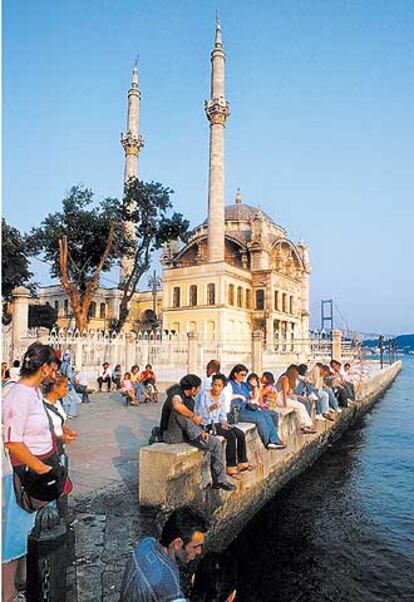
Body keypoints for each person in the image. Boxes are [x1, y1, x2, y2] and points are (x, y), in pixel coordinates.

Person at [2, 342, 59, 602]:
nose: (54, 372)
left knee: (31, 528)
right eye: (52, 367)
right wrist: (42, 469)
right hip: (23, 473)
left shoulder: (34, 392)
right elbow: (13, 441)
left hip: (39, 468)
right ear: (44, 368)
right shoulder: (19, 394)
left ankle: (23, 579)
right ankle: (8, 593)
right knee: (15, 532)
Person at [161, 374, 235, 491]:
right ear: (193, 388)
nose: (200, 390)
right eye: (198, 388)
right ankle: (198, 435)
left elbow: (196, 419)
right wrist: (194, 417)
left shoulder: (191, 401)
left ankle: (219, 480)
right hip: (172, 435)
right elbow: (177, 405)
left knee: (216, 443)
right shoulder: (176, 394)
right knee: (179, 411)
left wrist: (201, 429)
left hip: (189, 432)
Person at [119, 506, 208, 602]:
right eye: (195, 547)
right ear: (177, 543)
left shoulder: (146, 542)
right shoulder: (169, 588)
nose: (199, 551)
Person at [196, 374, 254, 479]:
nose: (216, 388)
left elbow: (222, 414)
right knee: (231, 436)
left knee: (240, 433)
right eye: (215, 385)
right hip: (207, 424)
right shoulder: (204, 395)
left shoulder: (222, 396)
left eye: (219, 386)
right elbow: (199, 415)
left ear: (223, 387)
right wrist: (210, 408)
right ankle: (230, 466)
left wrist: (224, 421)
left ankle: (242, 462)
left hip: (218, 422)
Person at [228, 365, 286, 450]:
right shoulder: (229, 384)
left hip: (247, 408)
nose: (243, 377)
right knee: (260, 418)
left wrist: (255, 387)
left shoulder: (244, 385)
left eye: (245, 375)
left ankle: (274, 439)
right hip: (236, 411)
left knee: (269, 415)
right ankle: (267, 442)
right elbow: (226, 397)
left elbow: (254, 397)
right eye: (242, 375)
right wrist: (238, 396)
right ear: (235, 374)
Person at [276, 365, 317, 434]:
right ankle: (308, 425)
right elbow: (284, 394)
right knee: (300, 406)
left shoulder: (288, 379)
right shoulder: (285, 379)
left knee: (299, 407)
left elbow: (289, 394)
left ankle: (304, 426)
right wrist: (285, 404)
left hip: (284, 397)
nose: (297, 374)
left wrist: (299, 397)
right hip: (280, 399)